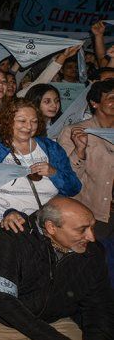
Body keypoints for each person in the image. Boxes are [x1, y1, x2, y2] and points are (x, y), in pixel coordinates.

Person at [0, 197, 114, 339]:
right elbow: (3, 301)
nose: (91, 237)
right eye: (82, 230)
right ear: (51, 227)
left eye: (92, 227)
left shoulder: (93, 253)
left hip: (54, 323)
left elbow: (99, 306)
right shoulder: (12, 238)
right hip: (2, 324)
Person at [0, 98, 81, 240]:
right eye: (22, 121)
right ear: (8, 121)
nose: (28, 126)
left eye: (34, 121)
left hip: (38, 231)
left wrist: (54, 173)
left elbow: (74, 188)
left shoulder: (51, 148)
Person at [58, 79, 114, 239]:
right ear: (94, 103)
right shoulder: (75, 132)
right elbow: (66, 178)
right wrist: (79, 151)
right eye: (111, 98)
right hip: (90, 213)